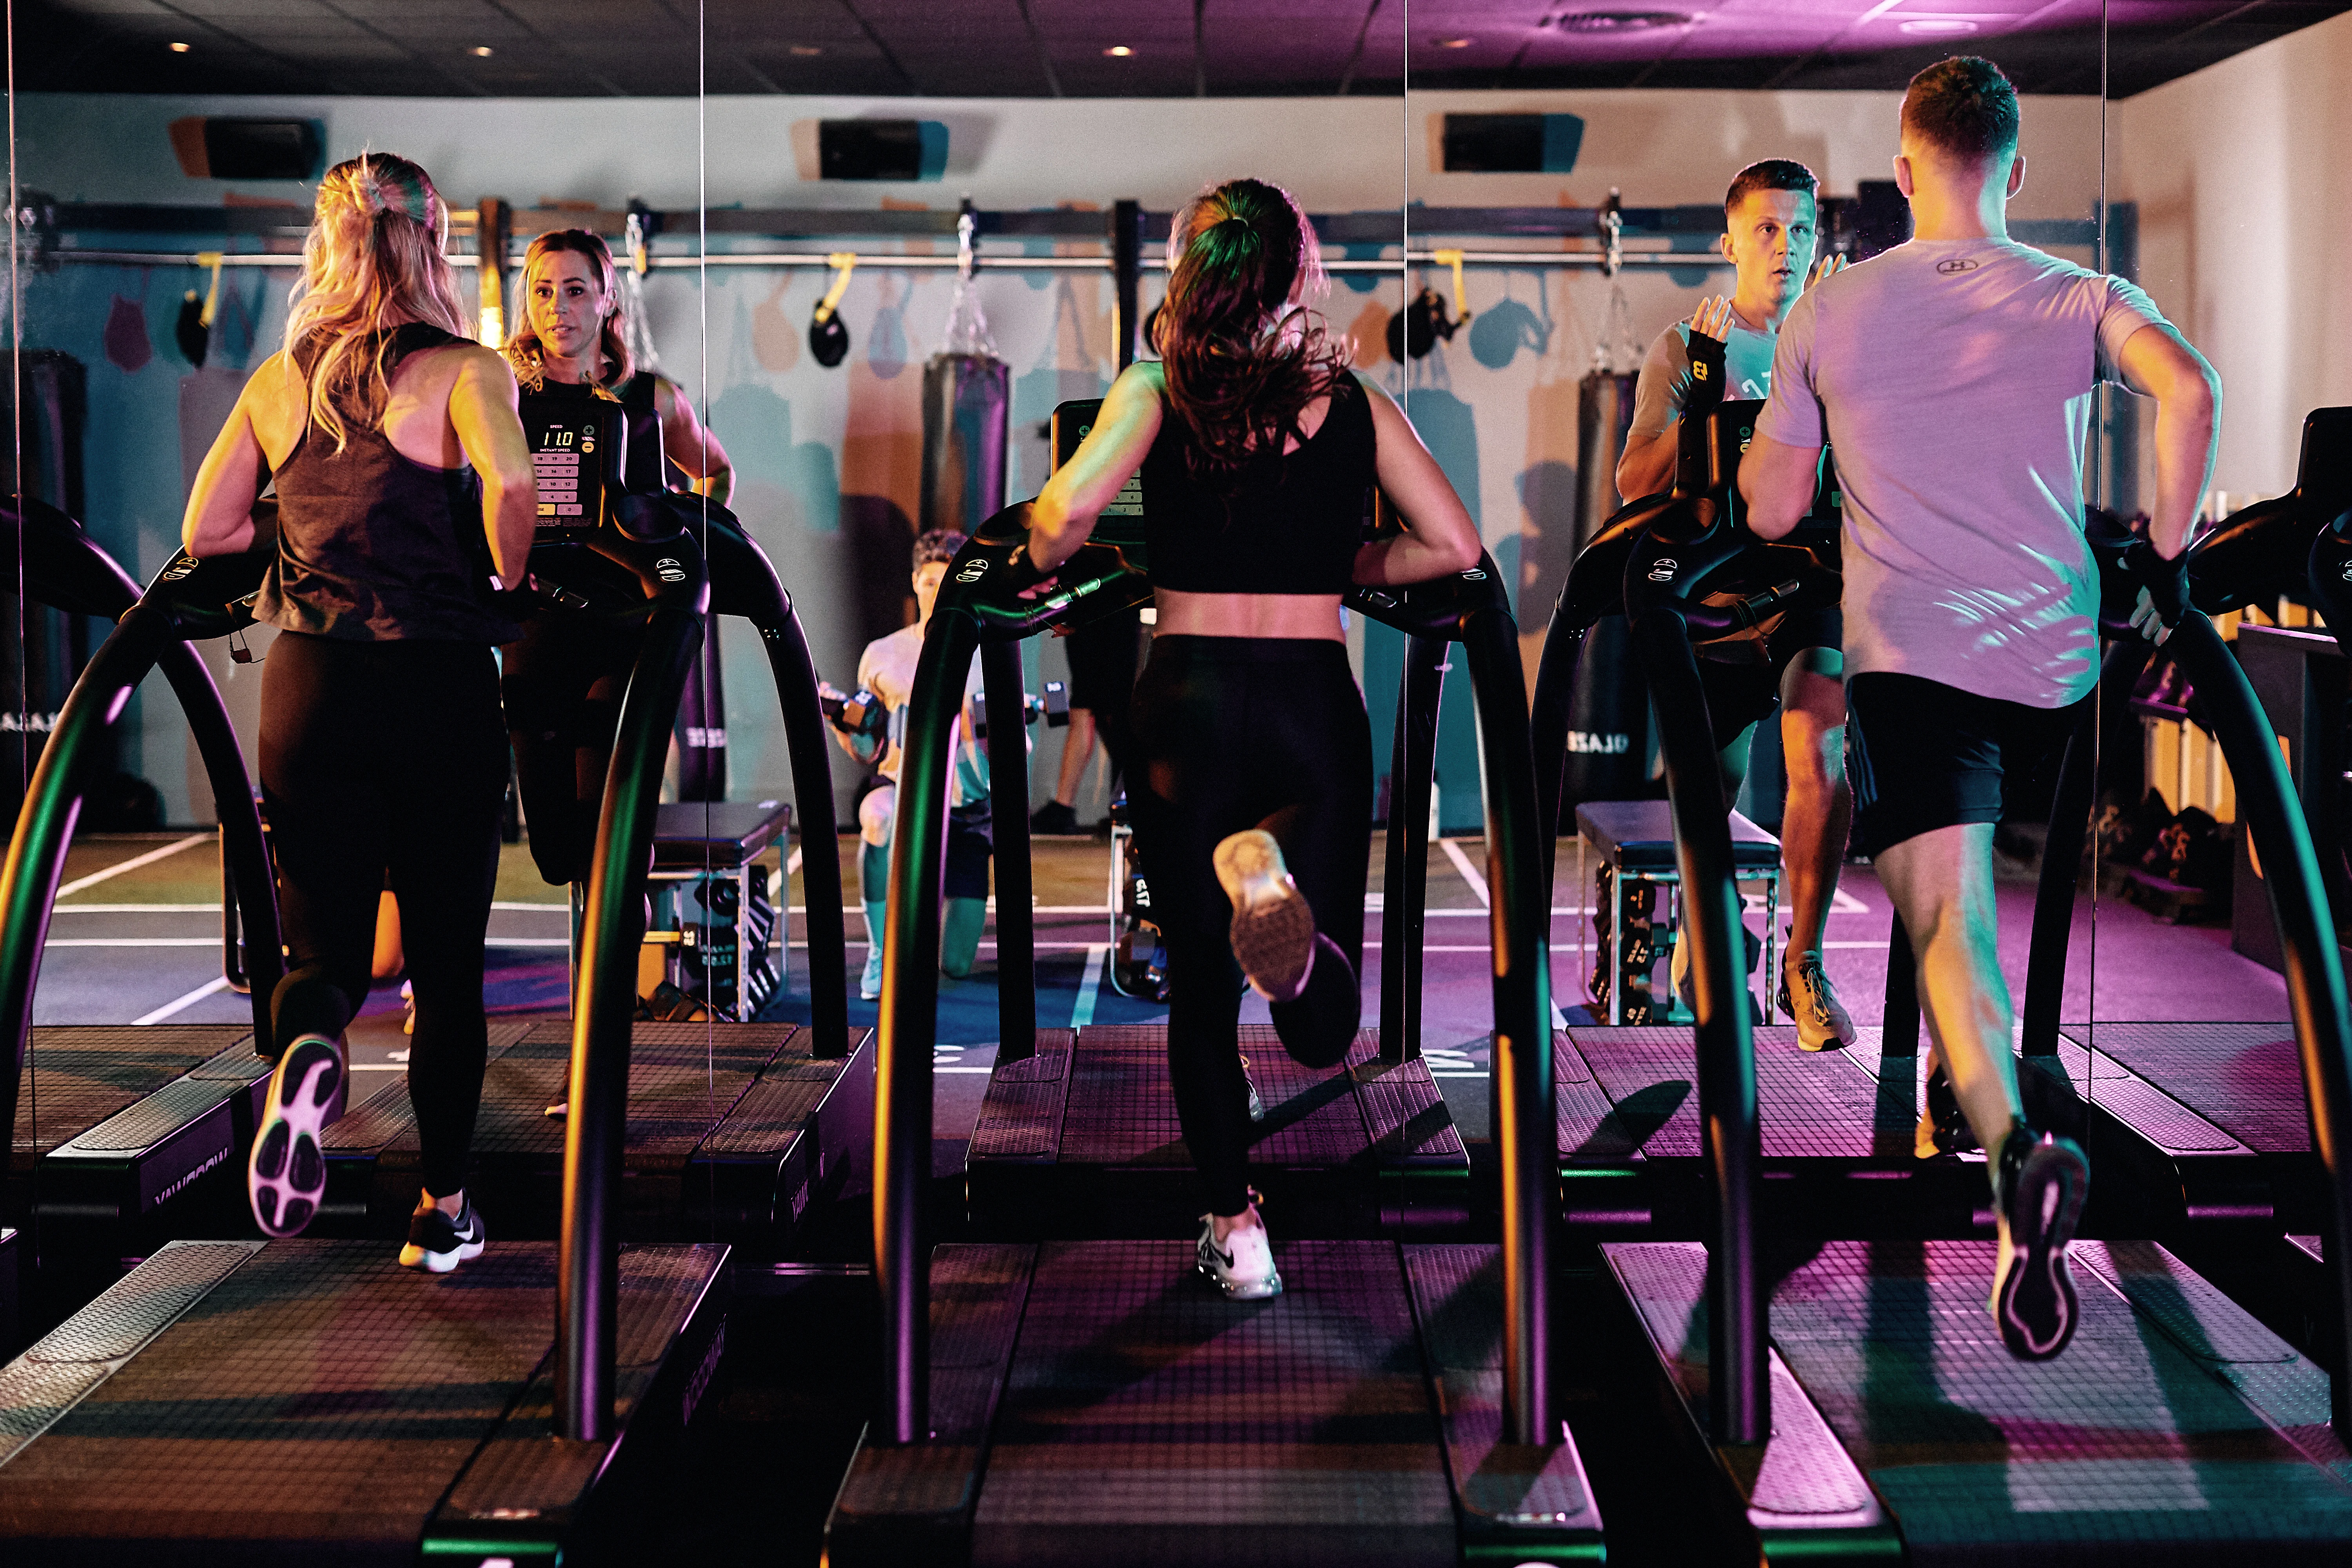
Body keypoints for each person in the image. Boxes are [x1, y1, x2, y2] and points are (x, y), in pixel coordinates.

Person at [1741, 57, 2220, 1359]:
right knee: (2020, 915)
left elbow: (1774, 512)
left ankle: (2013, 1142)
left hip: (1916, 658)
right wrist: (2166, 557)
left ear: (1901, 174)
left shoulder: (1834, 308)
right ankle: (2009, 1113)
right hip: (2061, 670)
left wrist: (1771, 455)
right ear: (2014, 169)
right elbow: (2192, 389)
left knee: (1948, 921)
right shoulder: (2075, 292)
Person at [1028, 178, 1482, 1300]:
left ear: (1193, 274)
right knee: (1322, 1024)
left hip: (1183, 697)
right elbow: (1454, 546)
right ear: (1297, 271)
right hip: (1307, 699)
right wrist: (1345, 562)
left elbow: (1067, 518)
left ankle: (1237, 1232)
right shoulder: (1351, 398)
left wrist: (1047, 544)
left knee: (1198, 992)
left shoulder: (1154, 384)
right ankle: (1271, 887)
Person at [181, 152, 536, 1273]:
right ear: (431, 245)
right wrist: (507, 580)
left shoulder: (282, 380)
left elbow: (210, 532)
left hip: (311, 687)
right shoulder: (468, 370)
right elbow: (518, 491)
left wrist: (289, 544)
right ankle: (443, 1204)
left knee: (324, 942)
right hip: (434, 686)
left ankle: (316, 1044)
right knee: (444, 959)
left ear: (325, 247)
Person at [1619, 158, 1857, 1052]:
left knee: (1816, 750)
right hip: (1716, 593)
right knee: (1705, 789)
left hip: (1806, 588)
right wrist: (1707, 390)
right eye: (1767, 229)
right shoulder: (1685, 345)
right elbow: (1631, 481)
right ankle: (1698, 935)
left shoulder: (1837, 339)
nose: (1788, 247)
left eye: (1802, 231)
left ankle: (1805, 963)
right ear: (1730, 242)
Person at [498, 229, 732, 892]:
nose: (559, 308)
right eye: (544, 292)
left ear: (607, 301)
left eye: (576, 291)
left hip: (625, 632)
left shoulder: (649, 399)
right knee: (554, 853)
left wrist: (681, 550)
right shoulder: (503, 397)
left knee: (612, 826)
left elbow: (714, 473)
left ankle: (622, 986)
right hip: (535, 629)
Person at [823, 529, 999, 1001]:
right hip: (901, 790)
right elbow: (867, 749)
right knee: (876, 818)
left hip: (968, 807)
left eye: (949, 581)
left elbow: (1014, 748)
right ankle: (883, 953)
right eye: (929, 581)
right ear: (915, 582)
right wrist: (843, 724)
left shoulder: (990, 651)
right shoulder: (881, 654)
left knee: (957, 966)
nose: (937, 591)